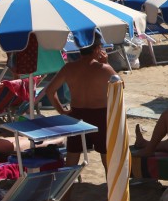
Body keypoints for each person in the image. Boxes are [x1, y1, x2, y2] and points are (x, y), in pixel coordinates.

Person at [44, 38, 117, 167]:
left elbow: (50, 91)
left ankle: (67, 186)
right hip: (100, 115)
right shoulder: (104, 69)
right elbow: (120, 87)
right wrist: (107, 63)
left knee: (73, 154)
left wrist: (62, 111)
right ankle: (109, 186)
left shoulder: (69, 68)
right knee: (106, 155)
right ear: (96, 49)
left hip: (77, 116)